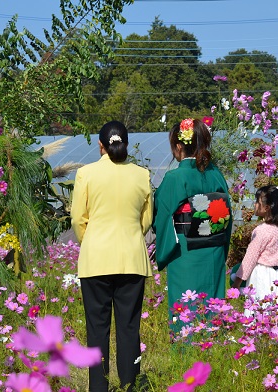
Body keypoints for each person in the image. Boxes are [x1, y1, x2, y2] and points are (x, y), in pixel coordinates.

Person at [71, 121, 153, 392]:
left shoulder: (86, 174)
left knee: (97, 329)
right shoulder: (142, 175)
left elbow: (78, 219)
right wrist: (129, 235)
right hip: (132, 259)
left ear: (100, 145)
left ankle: (99, 388)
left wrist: (92, 240)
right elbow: (146, 220)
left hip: (95, 259)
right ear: (125, 145)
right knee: (129, 328)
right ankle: (130, 386)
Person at [153, 118, 232, 334]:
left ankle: (186, 352)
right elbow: (228, 217)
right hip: (214, 248)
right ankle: (215, 348)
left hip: (186, 252)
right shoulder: (216, 175)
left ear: (179, 146)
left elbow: (160, 212)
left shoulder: (176, 177)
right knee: (212, 304)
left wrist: (163, 244)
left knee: (186, 306)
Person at [231, 185, 278, 300]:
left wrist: (237, 283)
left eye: (257, 202)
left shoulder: (262, 230)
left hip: (262, 275)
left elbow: (250, 258)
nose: (254, 205)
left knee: (259, 306)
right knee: (275, 308)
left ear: (267, 207)